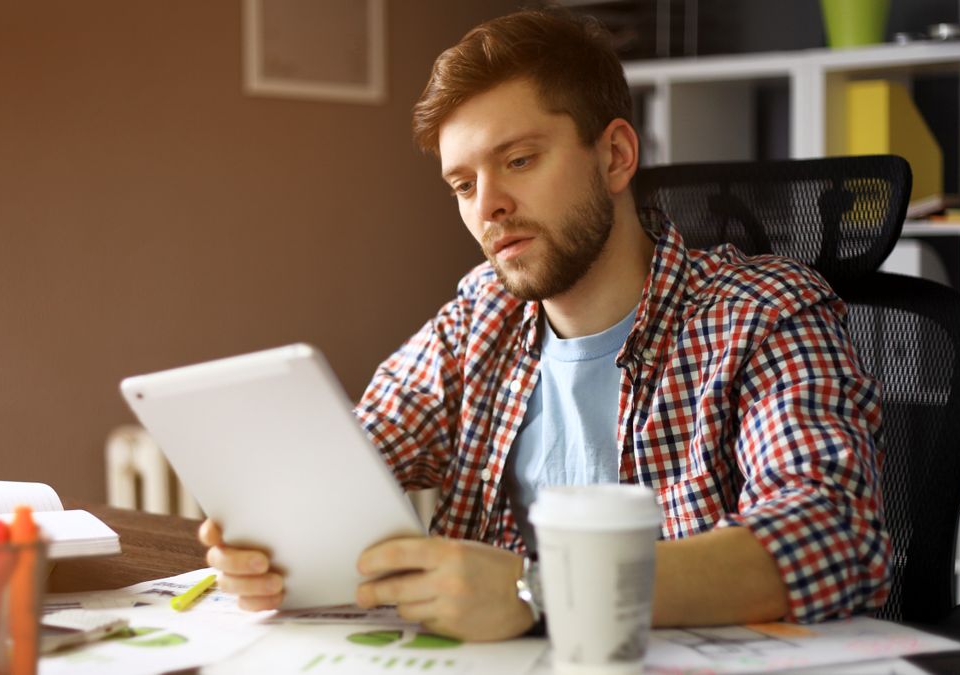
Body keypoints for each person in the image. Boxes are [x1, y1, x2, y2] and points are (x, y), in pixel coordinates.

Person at [200, 8, 891, 641]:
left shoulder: (763, 311)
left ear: (616, 155)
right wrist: (265, 539)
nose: (489, 207)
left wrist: (541, 589)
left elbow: (830, 535)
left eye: (519, 160)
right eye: (463, 185)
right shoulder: (480, 316)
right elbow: (349, 460)